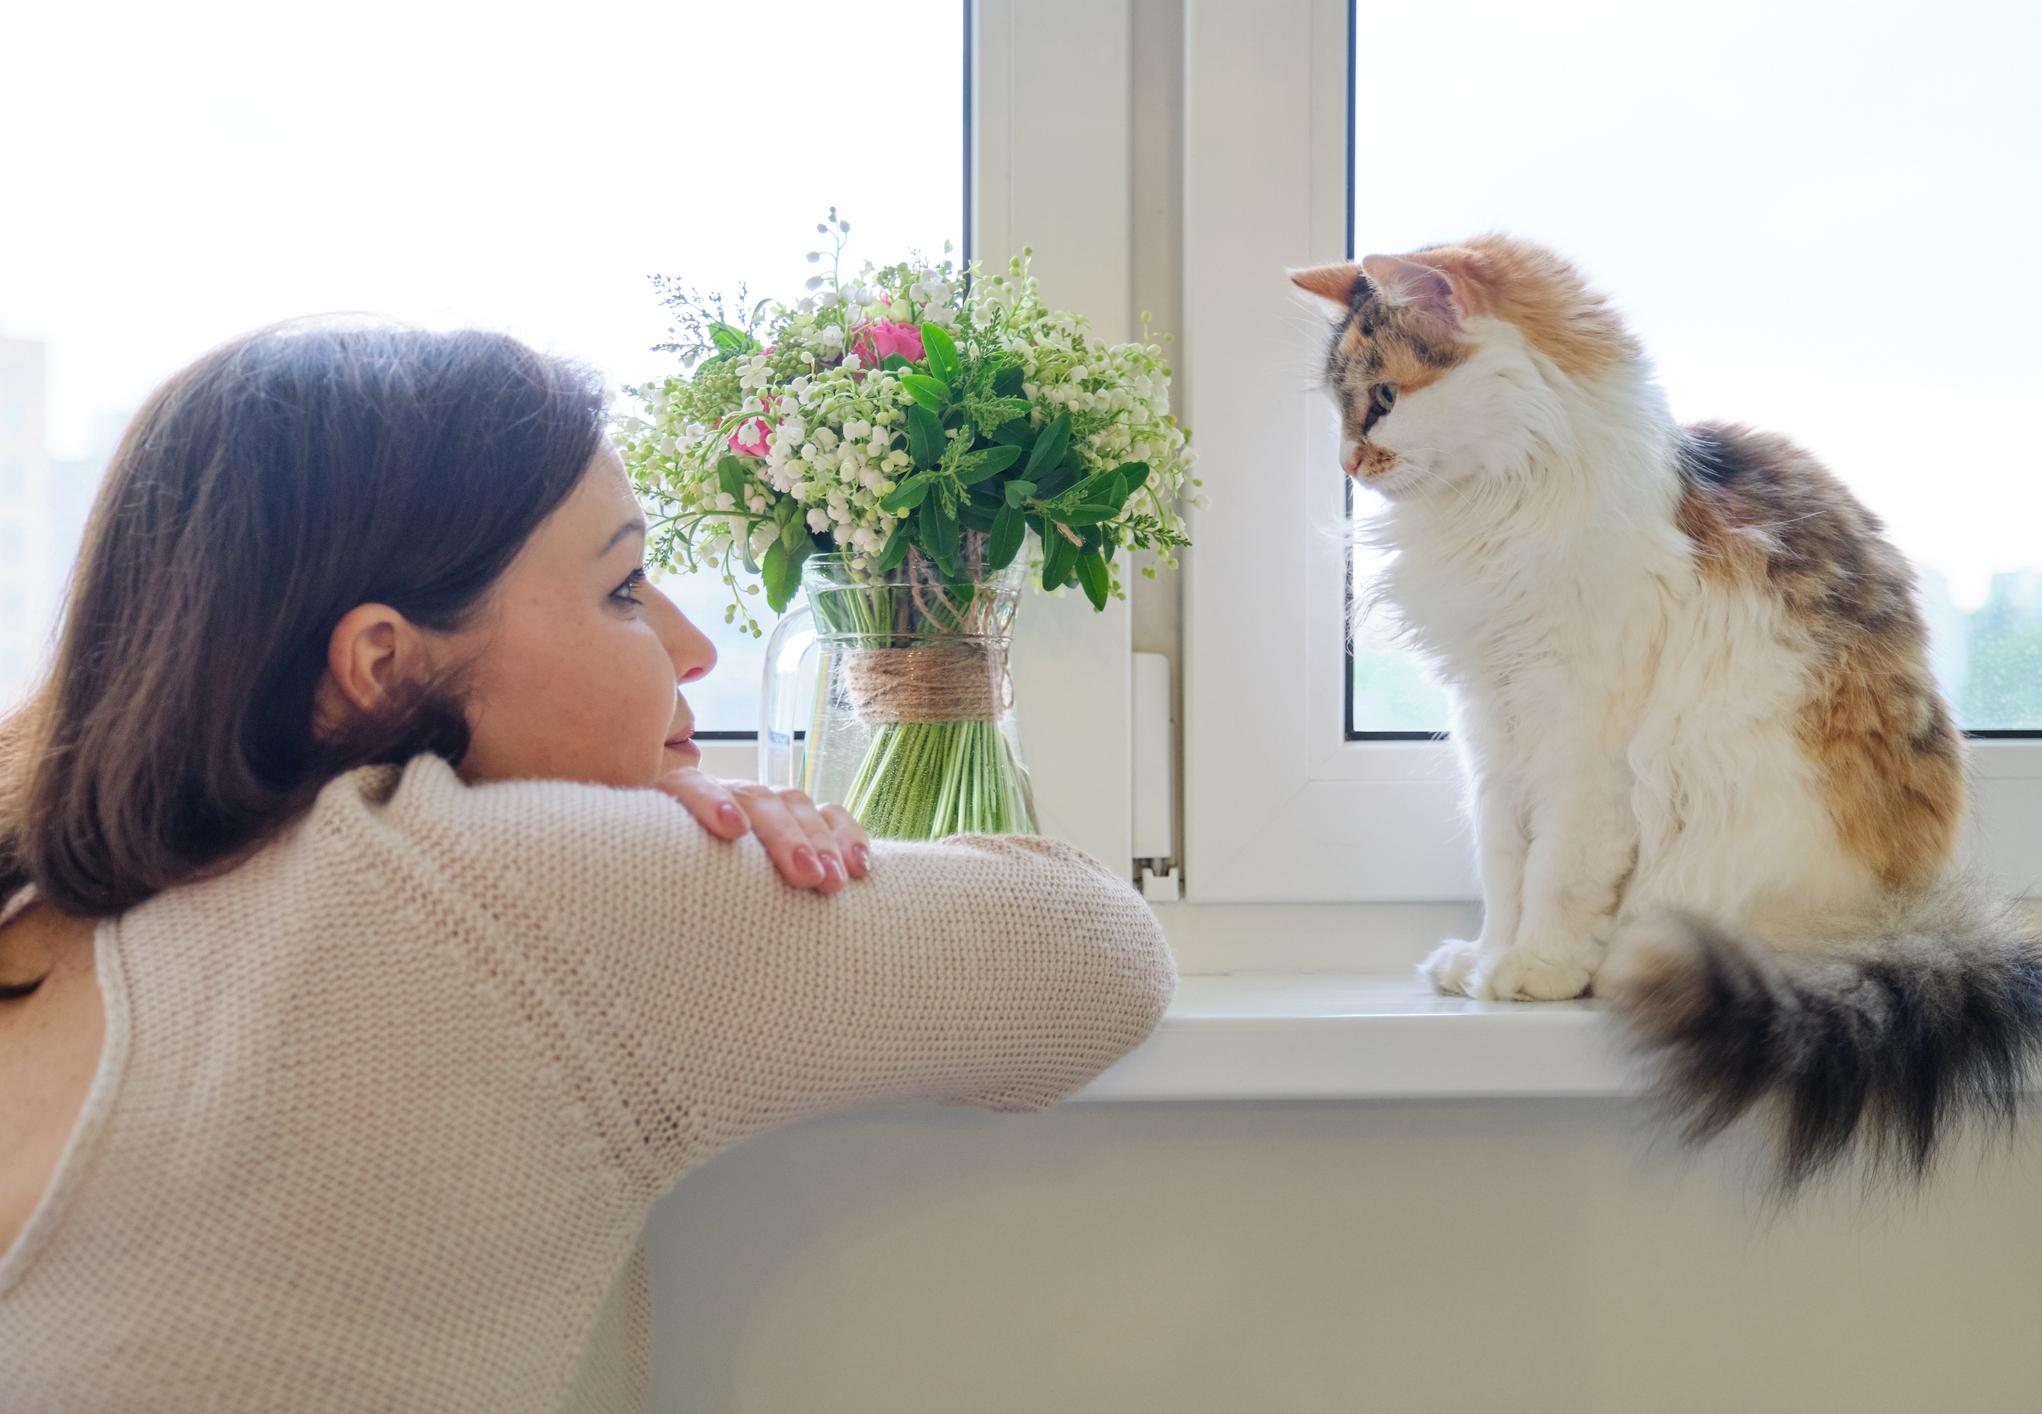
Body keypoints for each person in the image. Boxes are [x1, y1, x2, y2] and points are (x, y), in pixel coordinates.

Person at [0, 323, 1173, 1411]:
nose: (695, 647)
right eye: (621, 589)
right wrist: (666, 827)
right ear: (384, 667)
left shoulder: (48, 900)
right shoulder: (494, 891)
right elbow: (1101, 954)